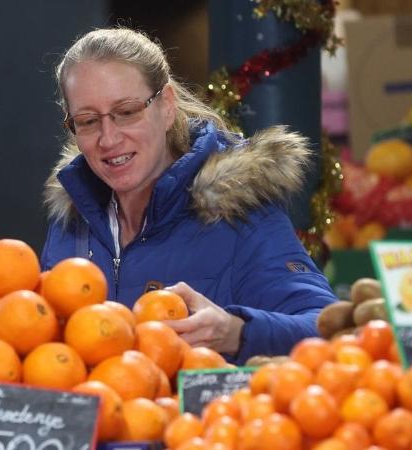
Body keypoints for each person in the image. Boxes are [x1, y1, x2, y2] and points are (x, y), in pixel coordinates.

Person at [40, 27, 336, 364]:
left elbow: (327, 329)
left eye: (127, 112)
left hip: (207, 416)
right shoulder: (72, 218)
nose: (108, 139)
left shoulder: (238, 209)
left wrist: (236, 331)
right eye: (88, 121)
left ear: (166, 106)